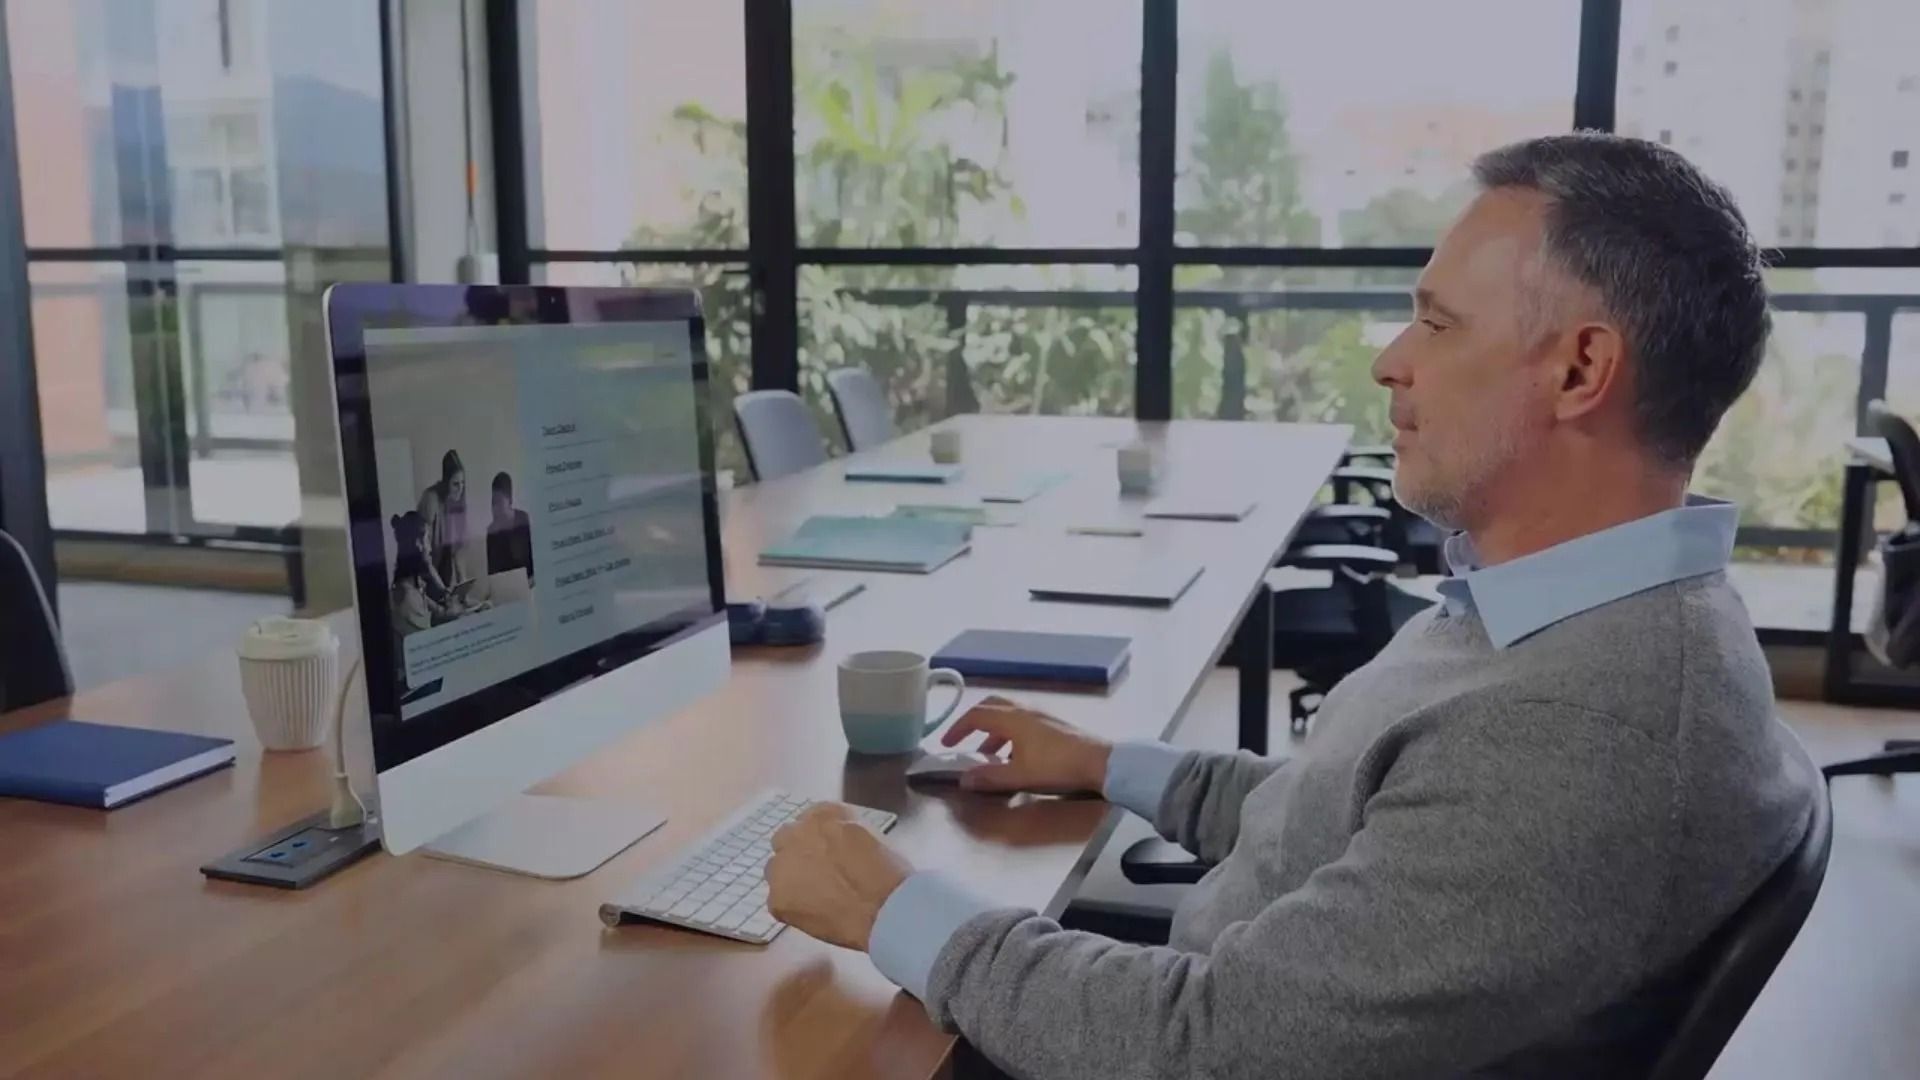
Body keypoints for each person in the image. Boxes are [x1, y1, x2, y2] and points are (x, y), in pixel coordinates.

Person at [765, 133, 1822, 1079]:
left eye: (1436, 323)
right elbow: (1348, 813)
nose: (1390, 361)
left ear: (1581, 368)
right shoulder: (1573, 614)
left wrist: (889, 907)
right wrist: (1105, 763)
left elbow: (1206, 1046)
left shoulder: (1578, 729)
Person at [419, 450, 473, 593]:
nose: (460, 489)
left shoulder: (459, 504)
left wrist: (463, 589)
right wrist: (443, 590)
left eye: (463, 483)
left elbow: (458, 555)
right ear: (446, 482)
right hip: (426, 575)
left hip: (444, 573)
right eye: (455, 484)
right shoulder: (430, 499)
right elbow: (424, 557)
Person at [486, 471, 535, 583]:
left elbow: (534, 562)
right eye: (493, 502)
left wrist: (529, 582)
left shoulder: (523, 519)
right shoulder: (492, 531)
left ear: (509, 500)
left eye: (499, 501)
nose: (495, 507)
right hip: (505, 588)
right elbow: (492, 575)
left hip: (528, 584)